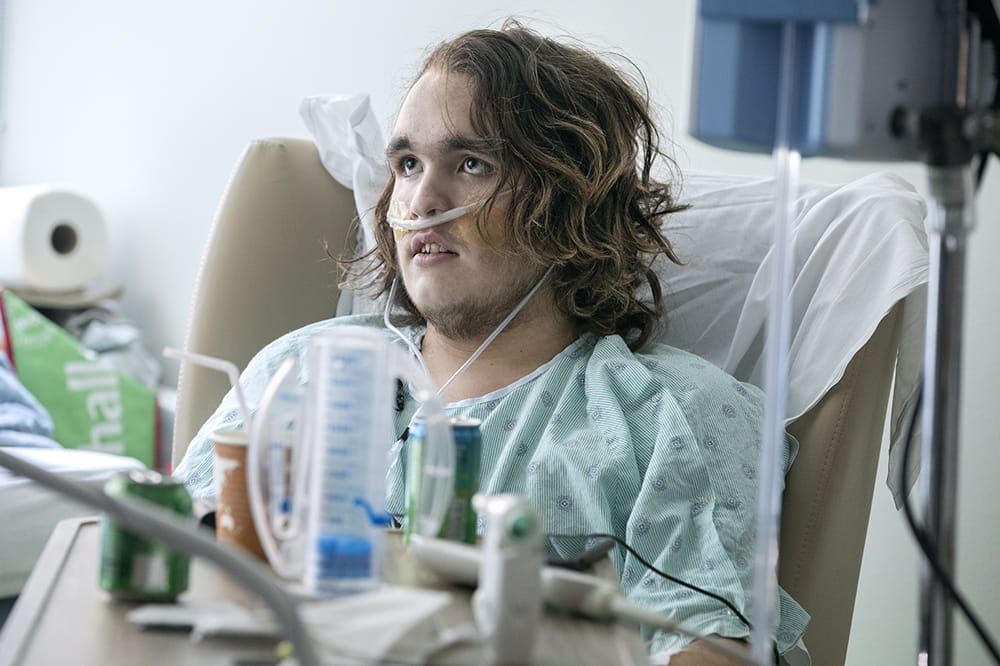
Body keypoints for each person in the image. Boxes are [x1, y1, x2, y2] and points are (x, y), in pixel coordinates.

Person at [175, 21, 809, 664]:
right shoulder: (301, 369)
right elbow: (167, 572)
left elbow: (716, 652)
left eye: (471, 163)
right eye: (407, 164)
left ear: (571, 199)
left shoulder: (670, 417)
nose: (421, 201)